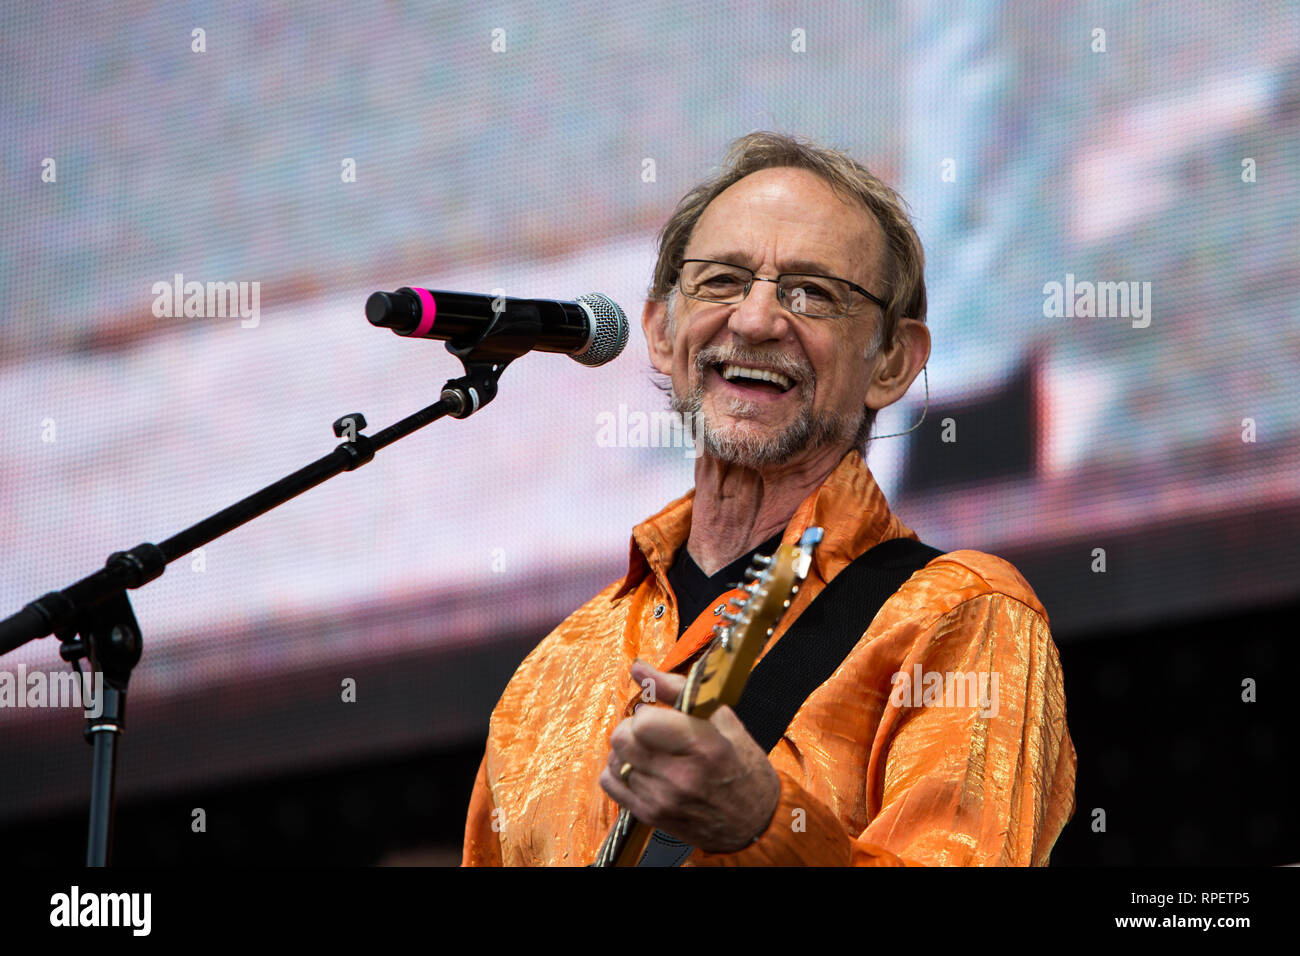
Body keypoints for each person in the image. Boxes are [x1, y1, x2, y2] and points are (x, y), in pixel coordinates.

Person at [461, 132, 1077, 866]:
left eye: (813, 293)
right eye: (721, 281)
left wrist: (765, 824)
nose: (754, 320)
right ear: (660, 331)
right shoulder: (554, 673)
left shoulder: (962, 618)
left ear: (892, 362)